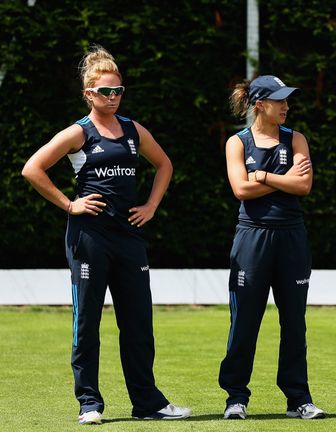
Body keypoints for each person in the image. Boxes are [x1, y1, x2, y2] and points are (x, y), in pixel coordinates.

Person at [21, 45, 191, 424]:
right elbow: (32, 169)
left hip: (129, 239)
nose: (112, 98)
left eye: (118, 91)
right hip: (89, 238)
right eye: (105, 92)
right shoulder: (77, 133)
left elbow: (164, 164)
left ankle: (147, 404)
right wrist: (70, 205)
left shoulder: (133, 129)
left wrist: (150, 206)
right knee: (87, 323)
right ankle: (89, 403)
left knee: (138, 324)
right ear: (89, 94)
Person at [218, 75, 326, 421]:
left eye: (287, 100)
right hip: (252, 238)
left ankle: (298, 399)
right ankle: (236, 397)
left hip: (291, 238)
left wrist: (263, 177)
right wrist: (283, 180)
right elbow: (240, 190)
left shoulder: (296, 139)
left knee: (294, 322)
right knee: (244, 321)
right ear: (259, 104)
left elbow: (304, 185)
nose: (286, 106)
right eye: (280, 100)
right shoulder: (238, 142)